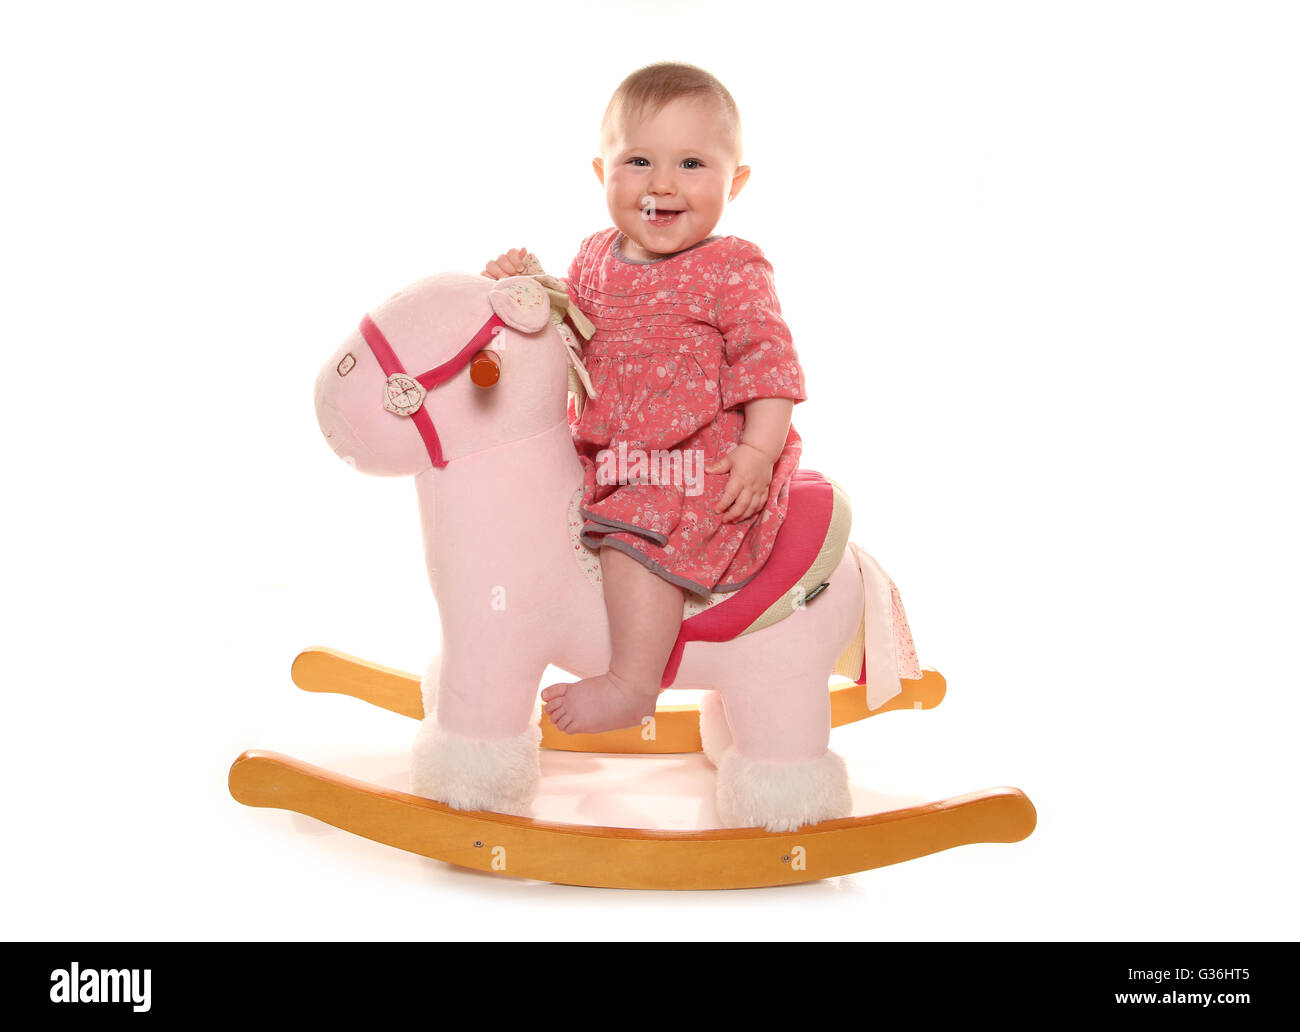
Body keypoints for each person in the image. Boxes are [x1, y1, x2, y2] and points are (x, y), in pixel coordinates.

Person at [482, 62, 806, 735]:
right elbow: (571, 335)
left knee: (637, 532)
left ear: (735, 181)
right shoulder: (595, 255)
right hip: (604, 446)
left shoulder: (732, 268)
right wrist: (529, 287)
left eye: (691, 163)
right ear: (602, 173)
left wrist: (756, 452)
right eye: (638, 161)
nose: (661, 183)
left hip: (689, 464)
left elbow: (767, 364)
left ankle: (632, 683)